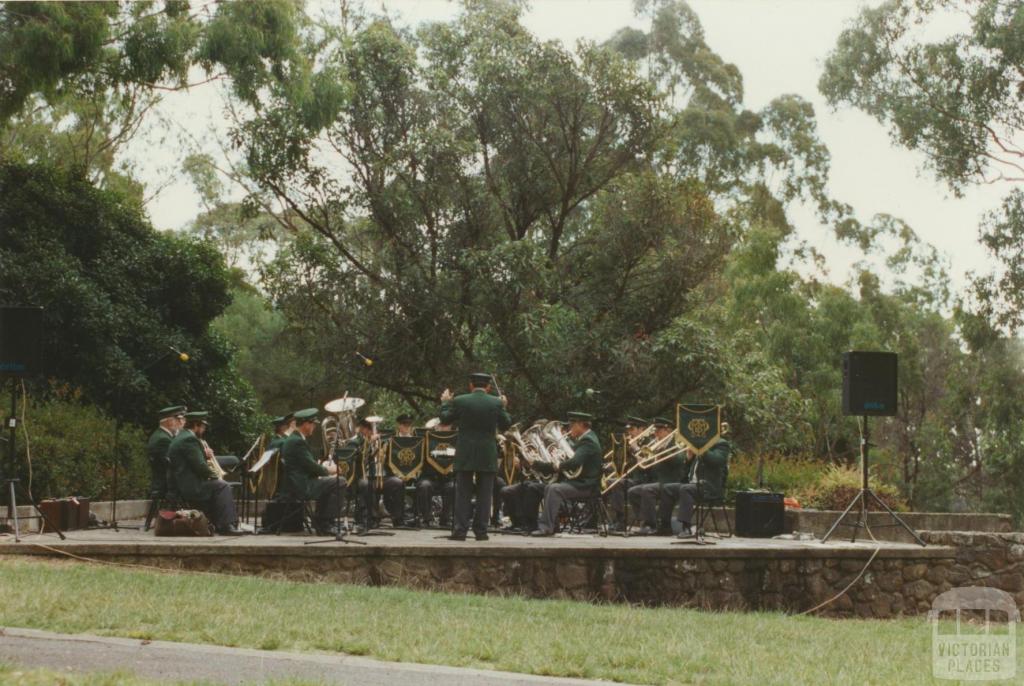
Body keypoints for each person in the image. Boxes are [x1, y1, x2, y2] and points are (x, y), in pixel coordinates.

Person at [439, 372, 512, 541]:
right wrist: (504, 406)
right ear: (488, 387)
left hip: (465, 452)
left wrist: (444, 403)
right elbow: (506, 424)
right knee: (485, 494)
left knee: (462, 493)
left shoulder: (460, 401)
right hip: (487, 453)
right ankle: (481, 531)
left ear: (470, 385)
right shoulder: (496, 402)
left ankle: (459, 531)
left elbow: (444, 419)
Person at [167, 411, 243, 535]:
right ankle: (226, 526)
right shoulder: (189, 439)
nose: (204, 430)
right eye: (203, 426)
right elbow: (200, 466)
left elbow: (194, 462)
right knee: (223, 486)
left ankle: (219, 523)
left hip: (182, 483)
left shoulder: (181, 436)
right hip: (190, 486)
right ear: (196, 425)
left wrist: (205, 457)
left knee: (219, 485)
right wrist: (216, 476)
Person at [529, 412, 603, 536]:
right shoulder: (586, 438)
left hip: (586, 486)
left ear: (580, 425)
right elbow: (573, 460)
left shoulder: (588, 441)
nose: (569, 429)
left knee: (554, 489)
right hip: (580, 483)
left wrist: (557, 465)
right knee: (548, 487)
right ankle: (552, 526)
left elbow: (575, 462)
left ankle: (546, 527)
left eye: (572, 425)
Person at [280, 408, 346, 536]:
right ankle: (325, 523)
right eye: (313, 424)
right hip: (302, 486)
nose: (314, 427)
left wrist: (322, 468)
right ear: (306, 424)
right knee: (340, 481)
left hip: (297, 482)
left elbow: (305, 464)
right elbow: (310, 466)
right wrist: (329, 470)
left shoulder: (295, 439)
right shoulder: (297, 441)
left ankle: (323, 520)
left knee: (331, 482)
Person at [627, 416, 686, 535]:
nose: (656, 434)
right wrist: (641, 460)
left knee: (647, 489)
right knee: (632, 491)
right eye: (655, 431)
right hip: (657, 482)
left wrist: (663, 450)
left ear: (668, 430)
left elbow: (679, 460)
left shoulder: (677, 443)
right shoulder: (657, 445)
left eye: (659, 431)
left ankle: (651, 525)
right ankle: (645, 521)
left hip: (671, 482)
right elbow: (648, 467)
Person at [675, 435, 731, 538]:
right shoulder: (700, 444)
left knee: (685, 489)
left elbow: (717, 461)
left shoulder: (721, 443)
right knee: (667, 488)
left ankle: (686, 527)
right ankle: (663, 525)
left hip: (709, 487)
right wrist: (689, 458)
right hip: (692, 484)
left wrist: (700, 449)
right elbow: (685, 472)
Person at [604, 415, 647, 530]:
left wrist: (636, 449)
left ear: (642, 430)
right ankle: (617, 519)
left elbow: (647, 465)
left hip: (644, 479)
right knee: (609, 482)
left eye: (632, 429)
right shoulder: (630, 443)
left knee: (615, 483)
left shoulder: (648, 442)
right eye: (628, 430)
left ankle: (620, 520)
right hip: (632, 478)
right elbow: (621, 462)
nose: (629, 433)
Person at [381, 413, 416, 527]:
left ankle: (414, 517)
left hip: (414, 474)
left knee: (423, 484)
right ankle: (398, 518)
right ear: (399, 426)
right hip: (393, 473)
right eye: (404, 424)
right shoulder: (391, 440)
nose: (407, 427)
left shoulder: (416, 440)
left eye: (409, 424)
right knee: (397, 483)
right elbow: (385, 460)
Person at [146, 405, 185, 497]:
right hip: (166, 488)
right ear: (170, 421)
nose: (182, 423)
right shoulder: (163, 440)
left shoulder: (162, 436)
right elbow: (175, 465)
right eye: (179, 420)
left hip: (166, 485)